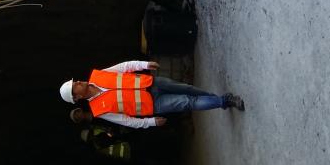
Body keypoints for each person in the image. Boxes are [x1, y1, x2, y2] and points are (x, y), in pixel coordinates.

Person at [58, 60, 244, 129]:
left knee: (187, 88)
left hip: (151, 83)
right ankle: (224, 101)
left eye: (76, 82)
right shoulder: (99, 110)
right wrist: (150, 122)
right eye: (76, 87)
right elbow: (126, 121)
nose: (79, 83)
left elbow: (123, 67)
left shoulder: (97, 75)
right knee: (188, 102)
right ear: (78, 98)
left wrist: (144, 64)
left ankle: (217, 99)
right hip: (154, 105)